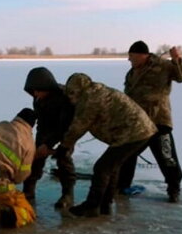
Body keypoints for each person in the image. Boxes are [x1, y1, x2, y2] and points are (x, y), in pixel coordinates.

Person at [52, 73, 157, 217]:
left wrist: (64, 147)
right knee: (111, 168)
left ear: (77, 90)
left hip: (133, 132)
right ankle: (105, 204)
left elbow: (79, 126)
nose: (70, 98)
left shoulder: (90, 99)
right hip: (137, 130)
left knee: (102, 168)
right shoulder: (93, 90)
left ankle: (92, 205)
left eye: (72, 93)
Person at [118, 40, 182, 203]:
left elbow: (181, 76)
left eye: (131, 56)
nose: (129, 60)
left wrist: (177, 60)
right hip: (138, 123)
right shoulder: (131, 73)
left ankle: (174, 189)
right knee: (126, 154)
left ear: (142, 55)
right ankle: (122, 186)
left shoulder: (163, 66)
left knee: (167, 157)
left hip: (159, 121)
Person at [22, 67, 76, 208]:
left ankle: (67, 194)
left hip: (67, 130)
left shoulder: (65, 98)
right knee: (35, 157)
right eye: (33, 91)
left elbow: (65, 126)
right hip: (47, 129)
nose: (35, 94)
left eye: (38, 90)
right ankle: (28, 190)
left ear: (47, 87)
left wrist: (49, 144)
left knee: (64, 158)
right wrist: (40, 143)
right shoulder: (38, 98)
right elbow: (42, 121)